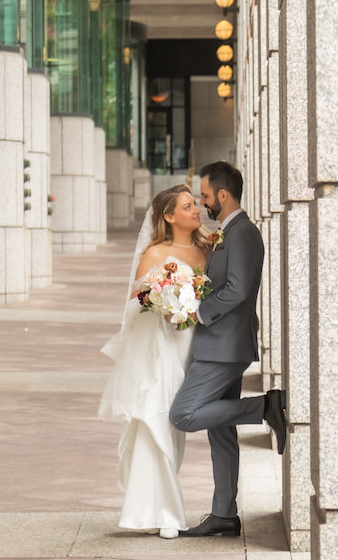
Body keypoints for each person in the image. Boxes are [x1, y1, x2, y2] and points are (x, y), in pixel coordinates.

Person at [169, 161, 286, 538]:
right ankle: (224, 513)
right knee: (220, 430)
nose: (202, 203)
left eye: (204, 195)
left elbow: (237, 288)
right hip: (219, 343)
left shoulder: (244, 233)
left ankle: (264, 406)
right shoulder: (226, 232)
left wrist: (200, 311)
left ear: (222, 194)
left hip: (225, 345)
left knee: (184, 414)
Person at [98, 184, 211, 539]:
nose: (196, 210)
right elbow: (134, 304)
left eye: (196, 204)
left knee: (176, 427)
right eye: (188, 206)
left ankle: (152, 506)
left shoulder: (208, 251)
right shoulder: (154, 253)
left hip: (193, 348)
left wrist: (186, 307)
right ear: (169, 216)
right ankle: (165, 513)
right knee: (155, 418)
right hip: (160, 347)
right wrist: (163, 301)